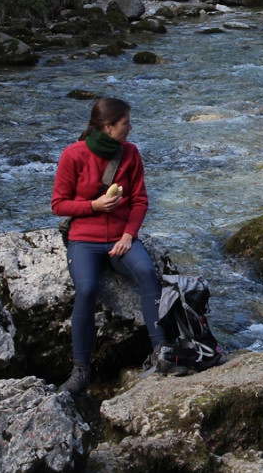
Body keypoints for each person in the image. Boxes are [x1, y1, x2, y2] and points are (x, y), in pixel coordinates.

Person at [52, 97, 173, 395]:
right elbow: (58, 204)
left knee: (146, 272)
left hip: (121, 238)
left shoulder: (131, 154)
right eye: (125, 123)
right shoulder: (74, 155)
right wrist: (93, 205)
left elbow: (140, 200)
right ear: (107, 127)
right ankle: (80, 370)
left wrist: (129, 235)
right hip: (84, 240)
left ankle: (162, 351)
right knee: (87, 289)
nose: (130, 128)